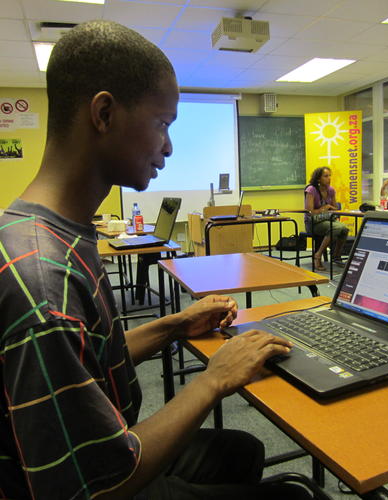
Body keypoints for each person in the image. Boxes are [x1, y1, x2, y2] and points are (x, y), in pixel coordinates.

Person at [0, 21, 312, 500]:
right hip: (99, 483)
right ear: (104, 113)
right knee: (295, 495)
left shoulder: (42, 229)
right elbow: (97, 486)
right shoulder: (45, 282)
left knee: (241, 452)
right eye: (163, 124)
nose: (168, 146)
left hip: (95, 450)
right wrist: (214, 380)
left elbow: (87, 356)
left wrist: (173, 326)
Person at [304, 166, 348, 271]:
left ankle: (336, 255)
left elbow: (335, 209)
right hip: (313, 223)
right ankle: (318, 255)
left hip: (327, 220)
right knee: (336, 227)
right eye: (326, 176)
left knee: (345, 229)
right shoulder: (311, 190)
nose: (329, 178)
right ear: (318, 178)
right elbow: (309, 212)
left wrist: (330, 208)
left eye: (329, 176)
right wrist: (324, 208)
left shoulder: (331, 190)